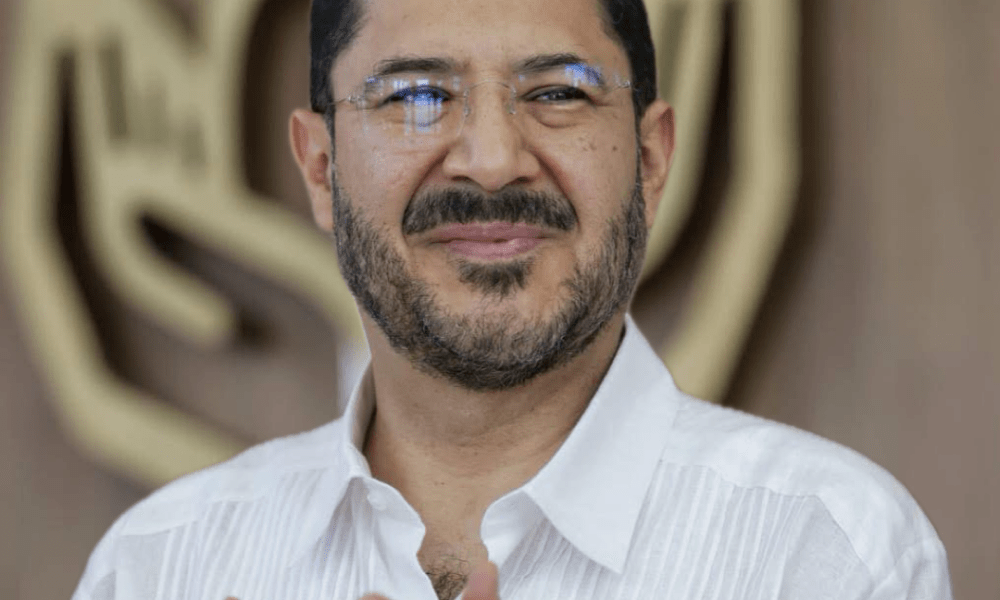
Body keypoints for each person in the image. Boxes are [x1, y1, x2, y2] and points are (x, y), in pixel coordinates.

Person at [72, 0, 954, 598]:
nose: (492, 161)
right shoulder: (159, 569)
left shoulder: (830, 555)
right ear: (320, 166)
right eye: (417, 95)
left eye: (557, 93)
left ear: (651, 160)